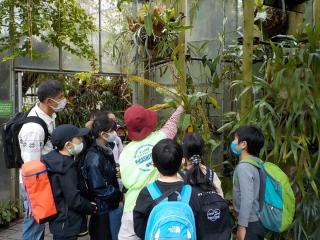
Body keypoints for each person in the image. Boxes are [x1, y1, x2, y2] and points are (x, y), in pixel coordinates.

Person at [118, 104, 184, 240]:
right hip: (160, 204)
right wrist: (181, 107)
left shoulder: (125, 152)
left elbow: (125, 181)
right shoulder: (160, 138)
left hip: (133, 206)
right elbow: (172, 123)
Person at [18, 79, 65, 240]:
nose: (63, 101)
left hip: (42, 178)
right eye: (60, 97)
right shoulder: (33, 129)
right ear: (48, 101)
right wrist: (36, 197)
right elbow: (31, 166)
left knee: (39, 223)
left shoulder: (48, 115)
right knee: (34, 225)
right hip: (34, 182)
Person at [133, 139, 200, 239]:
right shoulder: (191, 193)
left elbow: (139, 227)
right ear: (182, 162)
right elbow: (198, 225)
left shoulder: (147, 192)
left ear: (154, 164)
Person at [41, 124, 97, 240]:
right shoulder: (66, 168)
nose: (82, 141)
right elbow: (74, 199)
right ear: (68, 145)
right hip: (66, 221)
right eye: (78, 139)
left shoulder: (54, 159)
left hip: (59, 218)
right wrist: (90, 207)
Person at [181, 133, 231, 240]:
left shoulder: (179, 176)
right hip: (212, 231)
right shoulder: (211, 174)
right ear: (203, 152)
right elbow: (220, 197)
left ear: (183, 153)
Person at [84, 116, 123, 240]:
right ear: (103, 134)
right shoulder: (94, 157)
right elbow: (98, 188)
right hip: (103, 209)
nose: (114, 133)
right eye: (112, 130)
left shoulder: (106, 149)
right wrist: (118, 194)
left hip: (110, 205)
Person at [231, 125, 266, 240]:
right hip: (257, 221)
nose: (233, 142)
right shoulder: (258, 164)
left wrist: (241, 227)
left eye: (236, 139)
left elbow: (247, 198)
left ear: (243, 144)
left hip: (249, 225)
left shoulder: (244, 167)